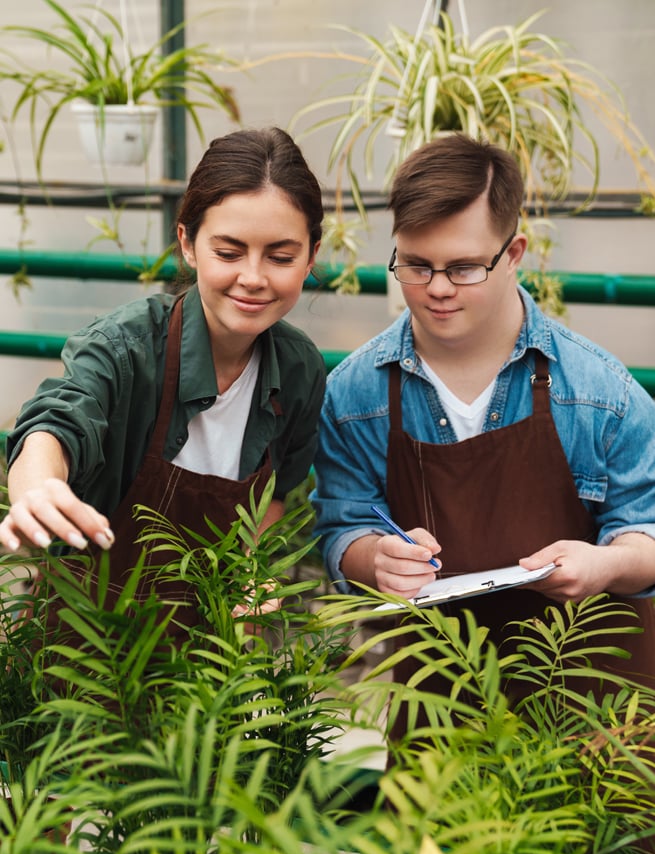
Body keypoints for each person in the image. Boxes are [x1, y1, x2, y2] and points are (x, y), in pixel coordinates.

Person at [311, 133, 655, 703]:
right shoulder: (355, 394)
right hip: (439, 717)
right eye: (416, 266)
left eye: (464, 268)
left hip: (595, 723)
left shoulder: (600, 393)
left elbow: (647, 530)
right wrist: (376, 559)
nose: (438, 288)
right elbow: (340, 526)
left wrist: (604, 565)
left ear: (514, 253)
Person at [0, 126, 325, 633]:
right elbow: (57, 420)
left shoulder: (300, 370)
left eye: (281, 257)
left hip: (209, 660)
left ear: (311, 256)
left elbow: (276, 493)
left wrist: (253, 570)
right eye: (229, 252)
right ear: (188, 244)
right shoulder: (125, 347)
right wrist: (38, 489)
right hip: (85, 649)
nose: (254, 277)